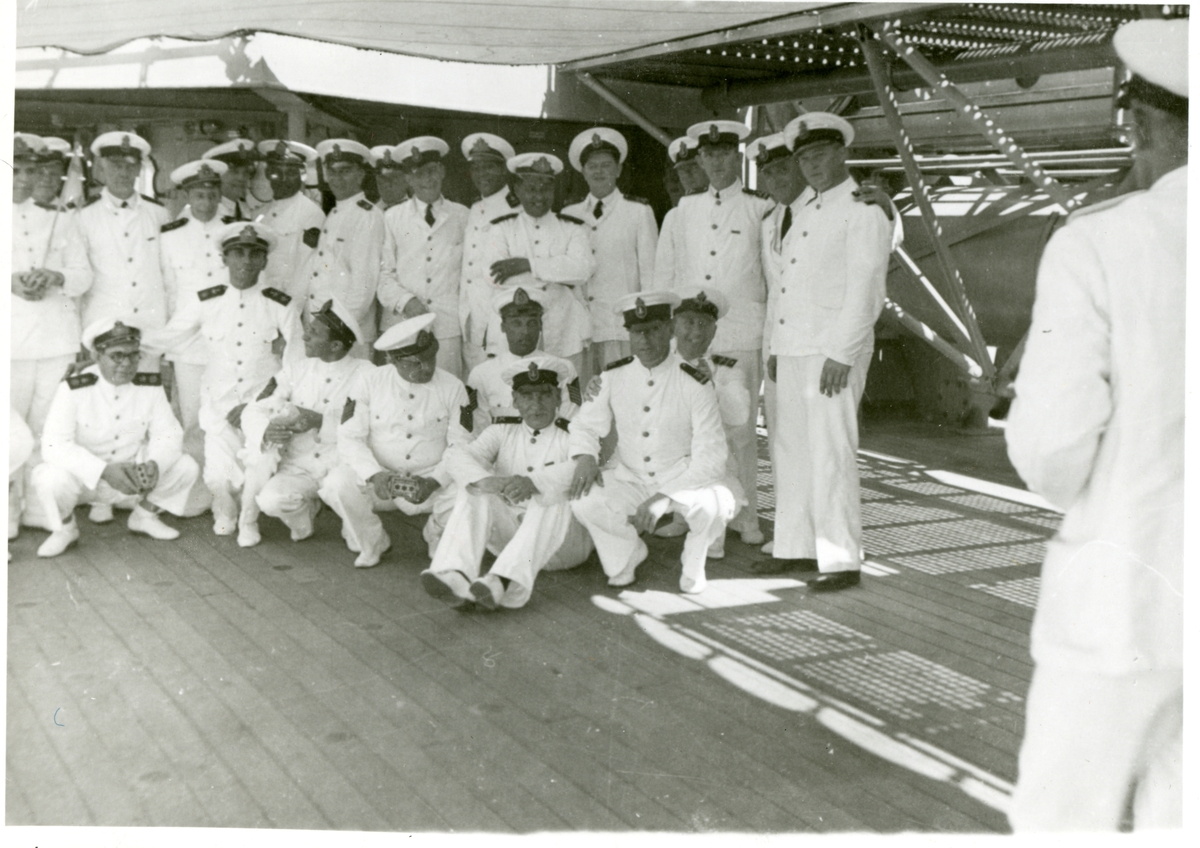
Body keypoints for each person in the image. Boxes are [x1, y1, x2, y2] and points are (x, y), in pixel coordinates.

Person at [1004, 18, 1186, 831]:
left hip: (1125, 602)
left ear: (1142, 123)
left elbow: (1052, 449)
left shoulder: (1101, 243)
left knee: (1061, 820)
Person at [761, 112, 892, 591]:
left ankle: (840, 561)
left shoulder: (863, 211)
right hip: (795, 348)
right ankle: (795, 547)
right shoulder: (809, 211)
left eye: (819, 155)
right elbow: (788, 288)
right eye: (804, 158)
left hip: (831, 352)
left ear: (842, 153)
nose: (811, 165)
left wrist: (842, 353)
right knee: (791, 450)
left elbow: (865, 290)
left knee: (831, 453)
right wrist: (778, 348)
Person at [651, 120, 771, 547]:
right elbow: (664, 279)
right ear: (699, 159)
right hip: (690, 336)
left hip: (740, 333)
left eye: (723, 154)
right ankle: (688, 514)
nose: (716, 162)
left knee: (740, 428)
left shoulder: (760, 209)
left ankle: (746, 516)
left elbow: (772, 275)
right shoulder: (681, 213)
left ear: (736, 157)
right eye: (708, 155)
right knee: (686, 427)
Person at [568, 291, 733, 595]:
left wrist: (665, 496)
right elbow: (585, 425)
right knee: (584, 501)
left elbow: (712, 456)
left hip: (679, 478)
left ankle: (694, 562)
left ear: (670, 330)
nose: (644, 340)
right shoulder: (613, 375)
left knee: (716, 504)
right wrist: (585, 456)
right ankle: (627, 553)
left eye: (653, 330)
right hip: (631, 477)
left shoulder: (694, 382)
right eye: (636, 332)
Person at [142, 222, 301, 536]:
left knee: (258, 466)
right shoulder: (207, 300)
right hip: (219, 406)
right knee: (216, 477)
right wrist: (124, 343)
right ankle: (225, 509)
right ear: (224, 259)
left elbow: (296, 362)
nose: (246, 261)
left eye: (254, 254)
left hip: (263, 405)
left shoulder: (279, 303)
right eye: (238, 253)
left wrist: (260, 404)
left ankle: (249, 519)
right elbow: (169, 336)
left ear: (264, 261)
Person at [422, 357, 594, 610]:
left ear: (558, 398)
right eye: (527, 396)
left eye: (544, 395)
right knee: (475, 489)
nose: (536, 404)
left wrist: (532, 483)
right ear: (515, 400)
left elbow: (580, 468)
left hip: (562, 547)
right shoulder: (502, 431)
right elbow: (454, 456)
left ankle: (503, 580)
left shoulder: (575, 433)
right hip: (510, 541)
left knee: (551, 497)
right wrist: (488, 481)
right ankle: (456, 574)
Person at [31, 317, 200, 558]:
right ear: (97, 356)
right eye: (117, 356)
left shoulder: (149, 386)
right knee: (49, 478)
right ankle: (65, 529)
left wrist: (155, 463)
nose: (126, 363)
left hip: (132, 478)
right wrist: (103, 471)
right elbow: (53, 445)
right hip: (85, 481)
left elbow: (168, 434)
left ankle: (144, 516)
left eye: (133, 355)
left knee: (185, 466)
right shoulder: (74, 388)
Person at [321, 314, 471, 566]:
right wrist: (374, 475)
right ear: (393, 360)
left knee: (470, 489)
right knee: (335, 484)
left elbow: (462, 444)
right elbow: (349, 437)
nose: (427, 368)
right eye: (415, 363)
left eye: (430, 358)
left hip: (431, 479)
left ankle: (436, 532)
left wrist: (435, 480)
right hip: (382, 478)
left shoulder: (454, 387)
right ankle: (372, 541)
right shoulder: (369, 382)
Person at [236, 297, 375, 547]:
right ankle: (304, 516)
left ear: (335, 345)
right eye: (308, 329)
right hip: (299, 466)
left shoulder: (367, 374)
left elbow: (374, 424)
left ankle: (356, 526)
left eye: (314, 333)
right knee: (270, 501)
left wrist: (321, 421)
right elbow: (254, 408)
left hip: (341, 463)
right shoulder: (296, 370)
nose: (305, 336)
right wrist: (267, 430)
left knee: (357, 541)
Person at [10, 133, 92, 532]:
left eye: (31, 171)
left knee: (46, 431)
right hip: (10, 343)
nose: (24, 179)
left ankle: (39, 509)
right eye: (15, 171)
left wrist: (56, 276)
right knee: (10, 434)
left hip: (56, 340)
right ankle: (7, 513)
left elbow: (83, 276)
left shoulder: (59, 217)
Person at [158, 158, 236, 516]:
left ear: (220, 194)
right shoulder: (170, 235)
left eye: (212, 194)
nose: (206, 202)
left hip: (228, 340)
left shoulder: (234, 231)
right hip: (187, 343)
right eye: (199, 195)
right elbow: (168, 291)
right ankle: (198, 491)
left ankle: (227, 491)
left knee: (227, 415)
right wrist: (168, 345)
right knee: (191, 419)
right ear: (187, 196)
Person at [654, 287, 750, 558]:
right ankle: (680, 519)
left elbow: (740, 415)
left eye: (704, 323)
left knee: (713, 485)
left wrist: (712, 384)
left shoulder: (727, 367)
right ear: (674, 325)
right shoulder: (656, 362)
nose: (696, 330)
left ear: (714, 330)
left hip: (708, 464)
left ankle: (710, 534)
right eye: (689, 322)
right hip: (662, 459)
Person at [484, 151, 595, 377]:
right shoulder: (501, 228)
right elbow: (494, 276)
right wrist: (559, 272)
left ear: (553, 191)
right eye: (531, 189)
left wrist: (527, 265)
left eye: (545, 189)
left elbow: (583, 270)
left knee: (569, 391)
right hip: (515, 335)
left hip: (565, 331)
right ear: (517, 189)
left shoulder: (572, 228)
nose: (539, 196)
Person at [562, 127, 658, 382]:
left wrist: (647, 325)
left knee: (624, 395)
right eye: (592, 166)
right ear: (582, 171)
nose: (599, 171)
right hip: (580, 331)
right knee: (583, 397)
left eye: (606, 165)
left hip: (621, 328)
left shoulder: (638, 211)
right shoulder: (569, 214)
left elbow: (650, 274)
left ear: (619, 170)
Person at [377, 136, 469, 377]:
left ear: (442, 172)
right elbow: (382, 274)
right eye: (417, 173)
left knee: (446, 388)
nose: (427, 179)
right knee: (401, 390)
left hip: (446, 327)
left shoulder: (462, 216)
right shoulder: (392, 218)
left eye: (431, 171)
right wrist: (407, 301)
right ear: (407, 178)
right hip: (401, 325)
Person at [296, 138, 384, 355]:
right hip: (322, 330)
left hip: (346, 334)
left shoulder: (367, 216)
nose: (337, 178)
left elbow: (363, 284)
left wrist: (337, 330)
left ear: (360, 174)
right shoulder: (335, 212)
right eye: (332, 172)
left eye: (345, 171)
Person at [76, 131, 169, 332]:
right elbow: (79, 275)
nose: (123, 173)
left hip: (151, 322)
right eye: (116, 165)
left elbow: (169, 273)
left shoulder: (159, 214)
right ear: (102, 167)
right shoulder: (83, 216)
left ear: (138, 169)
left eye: (130, 166)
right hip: (103, 324)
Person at [464, 286, 579, 432]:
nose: (525, 332)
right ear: (503, 327)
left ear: (541, 325)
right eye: (516, 323)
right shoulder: (481, 374)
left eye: (532, 323)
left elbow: (572, 421)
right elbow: (477, 427)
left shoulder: (563, 368)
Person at [458, 132, 518, 373]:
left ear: (504, 170)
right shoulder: (474, 208)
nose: (481, 174)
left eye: (489, 167)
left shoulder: (517, 210)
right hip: (471, 321)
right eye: (476, 168)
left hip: (499, 324)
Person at [254, 139, 325, 297]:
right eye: (276, 173)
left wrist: (289, 309)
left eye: (291, 173)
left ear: (302, 176)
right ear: (268, 174)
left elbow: (306, 272)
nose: (283, 179)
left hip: (286, 303)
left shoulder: (311, 214)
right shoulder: (260, 214)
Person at [202, 138, 260, 220]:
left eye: (246, 172)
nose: (241, 178)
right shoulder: (205, 211)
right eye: (234, 171)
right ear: (217, 175)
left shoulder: (244, 209)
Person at [370, 145, 410, 210]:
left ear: (405, 178)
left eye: (394, 178)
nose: (389, 185)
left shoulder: (420, 206)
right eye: (383, 179)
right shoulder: (373, 212)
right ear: (377, 181)